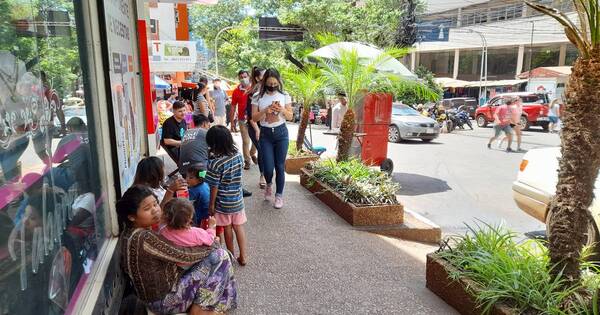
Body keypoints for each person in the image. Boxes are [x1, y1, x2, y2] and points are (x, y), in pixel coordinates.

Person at [116, 185, 237, 314]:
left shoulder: (129, 233)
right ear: (131, 217)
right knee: (220, 255)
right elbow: (185, 255)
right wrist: (213, 244)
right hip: (163, 302)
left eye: (155, 204)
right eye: (147, 208)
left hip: (153, 295)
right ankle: (202, 310)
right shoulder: (144, 239)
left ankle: (211, 304)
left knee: (216, 256)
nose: (155, 210)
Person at [205, 126, 248, 265]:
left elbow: (214, 186)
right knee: (239, 227)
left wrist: (211, 204)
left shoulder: (215, 163)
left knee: (227, 228)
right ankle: (243, 256)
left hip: (223, 201)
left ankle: (230, 256)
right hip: (238, 199)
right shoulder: (238, 154)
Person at [251, 68, 293, 209]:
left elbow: (290, 116)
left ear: (279, 82)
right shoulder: (257, 96)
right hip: (266, 134)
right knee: (268, 168)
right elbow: (254, 117)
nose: (273, 85)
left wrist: (281, 110)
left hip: (281, 133)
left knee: (280, 166)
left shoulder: (284, 95)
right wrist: (265, 111)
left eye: (275, 83)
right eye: (270, 83)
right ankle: (269, 184)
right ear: (264, 82)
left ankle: (279, 195)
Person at [231, 70, 257, 170]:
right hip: (242, 119)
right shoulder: (236, 91)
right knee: (246, 141)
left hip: (254, 119)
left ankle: (252, 153)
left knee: (256, 139)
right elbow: (233, 106)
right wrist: (232, 121)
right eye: (241, 77)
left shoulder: (254, 88)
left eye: (245, 76)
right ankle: (247, 161)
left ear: (249, 76)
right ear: (238, 78)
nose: (243, 78)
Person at [246, 66, 266, 188]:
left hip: (267, 126)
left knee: (266, 151)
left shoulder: (271, 92)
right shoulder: (252, 94)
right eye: (264, 75)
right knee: (262, 150)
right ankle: (262, 175)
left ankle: (266, 173)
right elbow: (250, 117)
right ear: (258, 78)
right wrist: (257, 130)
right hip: (254, 127)